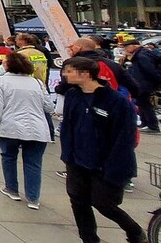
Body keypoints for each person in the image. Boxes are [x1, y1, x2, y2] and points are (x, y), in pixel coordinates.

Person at [59, 57, 145, 243]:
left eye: (69, 71)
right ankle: (89, 239)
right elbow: (68, 125)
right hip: (76, 160)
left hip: (103, 163)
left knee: (104, 204)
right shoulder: (73, 95)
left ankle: (135, 231)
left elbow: (124, 138)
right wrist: (68, 153)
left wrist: (114, 166)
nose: (65, 75)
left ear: (86, 74)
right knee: (78, 201)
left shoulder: (116, 102)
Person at [0, 51, 54, 209]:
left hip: (11, 126)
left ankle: (12, 188)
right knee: (34, 163)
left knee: (8, 157)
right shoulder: (37, 82)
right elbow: (49, 106)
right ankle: (33, 198)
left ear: (9, 65)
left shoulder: (1, 81)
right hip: (37, 127)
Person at [124, 39, 161, 133]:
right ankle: (145, 122)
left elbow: (150, 70)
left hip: (144, 83)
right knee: (140, 103)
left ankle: (152, 125)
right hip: (141, 82)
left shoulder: (141, 56)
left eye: (127, 47)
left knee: (145, 103)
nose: (126, 49)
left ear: (134, 46)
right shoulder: (140, 54)